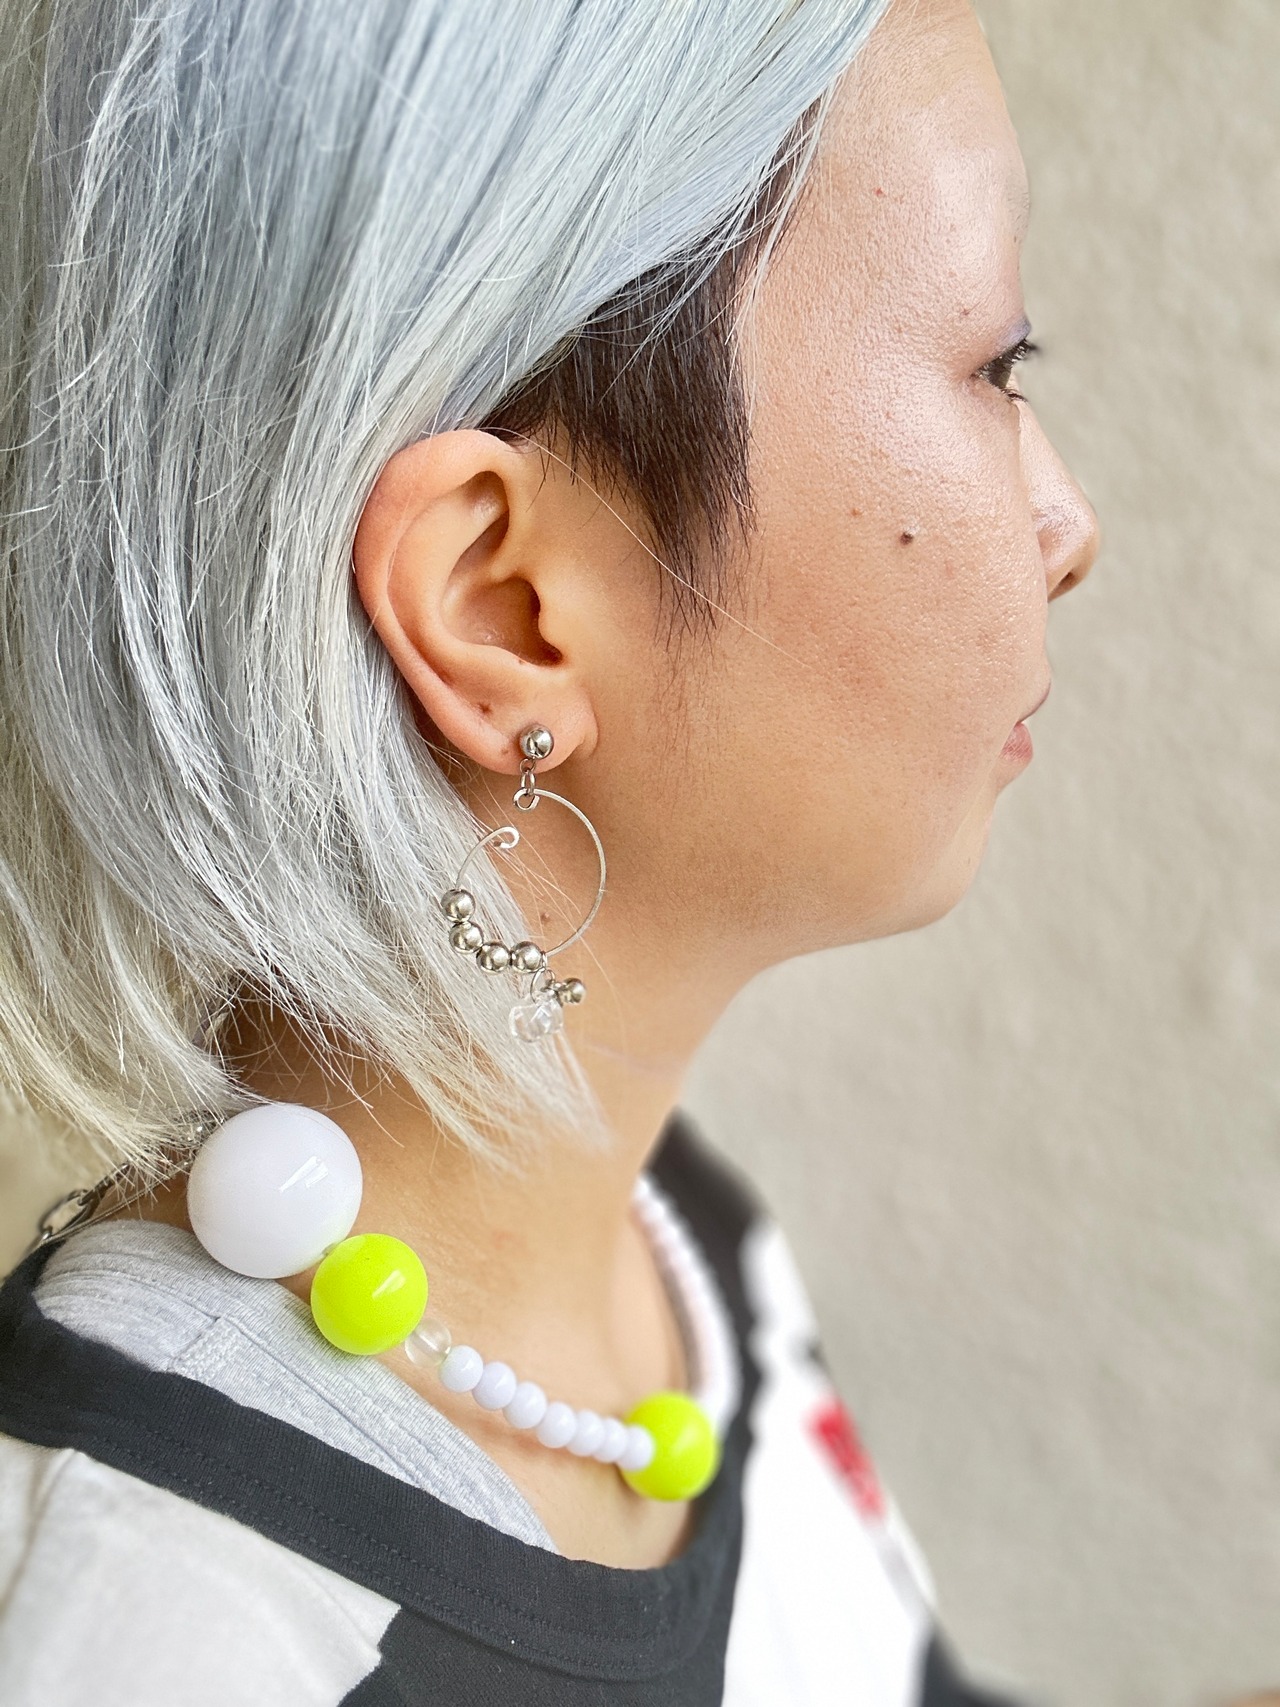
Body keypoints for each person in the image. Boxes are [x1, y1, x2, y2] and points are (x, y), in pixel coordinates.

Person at [0, 0, 1100, 1701]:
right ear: (502, 606)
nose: (1067, 524)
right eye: (995, 367)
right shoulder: (174, 1631)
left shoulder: (676, 1248)